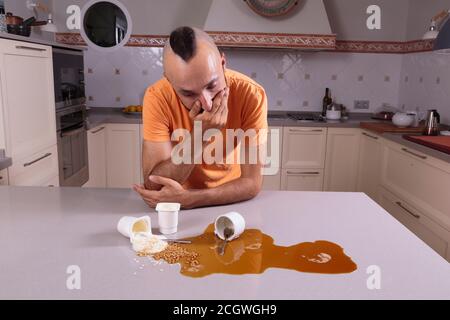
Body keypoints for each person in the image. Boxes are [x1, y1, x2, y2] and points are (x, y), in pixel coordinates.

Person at [133, 26, 268, 209]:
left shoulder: (251, 95)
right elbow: (155, 186)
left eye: (212, 85)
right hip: (176, 208)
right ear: (169, 81)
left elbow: (251, 183)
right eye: (188, 94)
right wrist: (200, 135)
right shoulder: (157, 97)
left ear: (223, 63)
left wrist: (191, 199)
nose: (207, 103)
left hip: (231, 203)